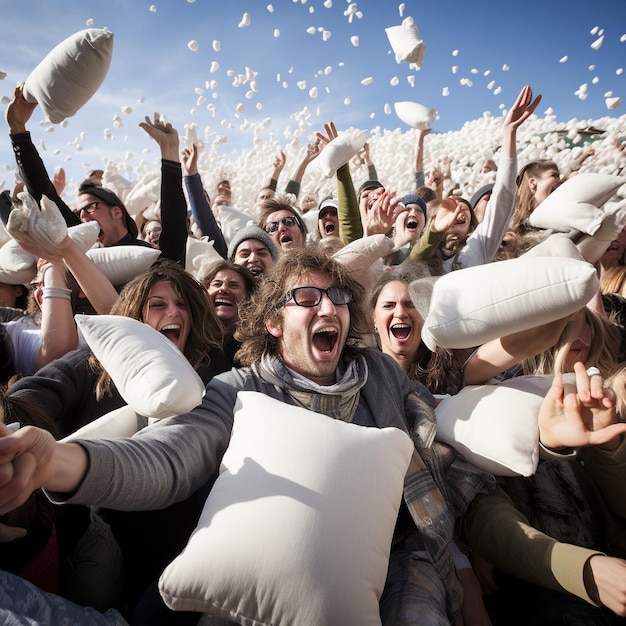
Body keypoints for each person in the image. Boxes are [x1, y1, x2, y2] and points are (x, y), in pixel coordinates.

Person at [0, 246, 495, 624]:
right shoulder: (238, 390)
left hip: (403, 564)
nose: (328, 307)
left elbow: (444, 435)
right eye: (306, 297)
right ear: (274, 323)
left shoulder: (382, 376)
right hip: (269, 588)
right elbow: (170, 458)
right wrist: (57, 464)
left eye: (338, 297)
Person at [198, 258, 255, 367]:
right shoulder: (190, 338)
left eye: (233, 285)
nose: (223, 289)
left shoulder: (258, 346)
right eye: (217, 284)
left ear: (249, 297)